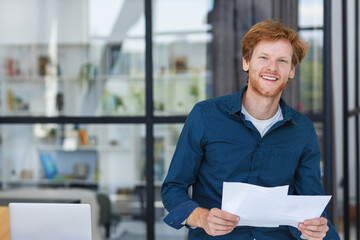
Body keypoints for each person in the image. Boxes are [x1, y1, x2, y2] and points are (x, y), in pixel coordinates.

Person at [161, 20, 340, 240]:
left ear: (292, 70)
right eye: (263, 57)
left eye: (282, 61)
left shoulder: (303, 130)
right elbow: (173, 188)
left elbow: (310, 205)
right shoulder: (205, 116)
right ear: (246, 62)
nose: (272, 67)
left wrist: (313, 229)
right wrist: (202, 218)